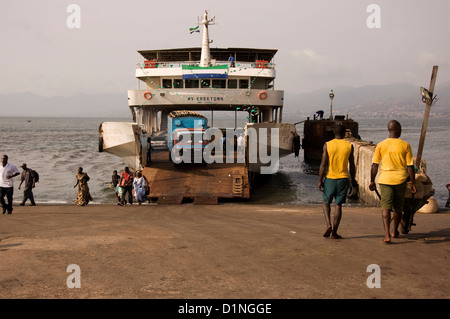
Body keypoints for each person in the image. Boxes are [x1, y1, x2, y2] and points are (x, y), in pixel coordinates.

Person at [369, 120, 416, 244]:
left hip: (385, 180)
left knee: (386, 208)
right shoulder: (405, 145)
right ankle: (395, 231)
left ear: (389, 129)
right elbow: (410, 166)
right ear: (398, 128)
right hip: (400, 180)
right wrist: (413, 183)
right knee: (398, 208)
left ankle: (387, 235)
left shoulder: (381, 145)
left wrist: (372, 181)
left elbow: (375, 165)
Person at [318, 124, 356, 239]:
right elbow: (352, 165)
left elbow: (323, 164)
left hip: (330, 178)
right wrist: (353, 179)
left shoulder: (328, 145)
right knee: (338, 205)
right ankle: (334, 232)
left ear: (334, 133)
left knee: (326, 202)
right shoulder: (349, 146)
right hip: (343, 178)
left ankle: (328, 224)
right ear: (345, 133)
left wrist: (320, 180)